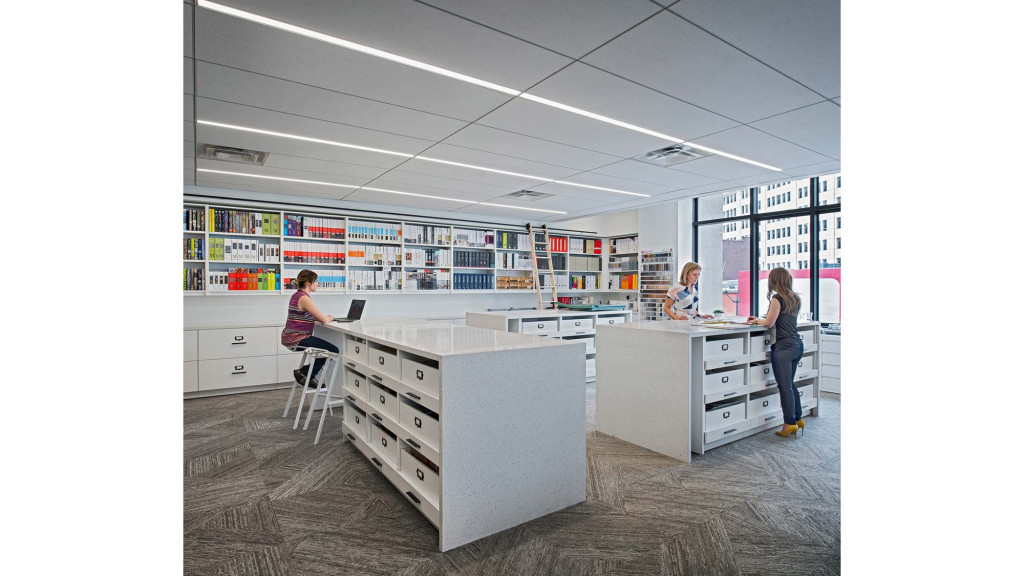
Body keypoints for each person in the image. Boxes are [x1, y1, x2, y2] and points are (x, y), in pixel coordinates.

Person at [747, 267, 805, 438]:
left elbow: (770, 322)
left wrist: (756, 320)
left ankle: (789, 423)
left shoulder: (777, 298)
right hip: (797, 345)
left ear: (774, 281)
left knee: (784, 387)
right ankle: (797, 418)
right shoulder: (795, 298)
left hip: (783, 348)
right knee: (791, 384)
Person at [281, 269, 338, 388]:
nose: (317, 284)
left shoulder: (297, 295)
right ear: (308, 283)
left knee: (327, 350)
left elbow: (305, 316)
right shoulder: (304, 298)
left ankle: (306, 375)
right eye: (316, 281)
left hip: (290, 336)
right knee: (334, 351)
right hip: (297, 338)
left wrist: (319, 318)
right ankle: (304, 373)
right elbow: (324, 319)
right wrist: (331, 317)